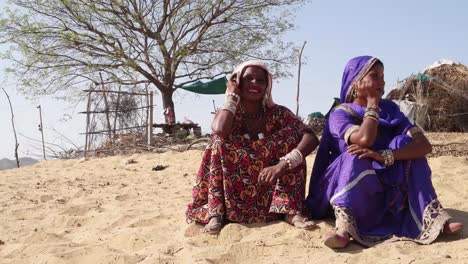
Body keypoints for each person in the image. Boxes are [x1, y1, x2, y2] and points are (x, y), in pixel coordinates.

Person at [305, 55, 464, 249]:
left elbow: (424, 145)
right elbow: (365, 139)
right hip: (346, 181)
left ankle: (433, 220)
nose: (382, 82)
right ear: (356, 81)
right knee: (356, 153)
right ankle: (344, 228)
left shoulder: (390, 109)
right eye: (375, 76)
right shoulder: (341, 113)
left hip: (383, 176)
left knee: (405, 144)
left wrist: (386, 156)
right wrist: (372, 104)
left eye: (383, 76)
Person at [186, 60, 319, 234]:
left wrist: (282, 165)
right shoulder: (230, 112)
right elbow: (219, 129)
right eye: (248, 79)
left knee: (294, 141)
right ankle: (216, 214)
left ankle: (289, 211)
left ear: (267, 85)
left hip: (269, 185)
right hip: (237, 191)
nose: (255, 84)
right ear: (238, 82)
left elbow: (311, 137)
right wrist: (232, 96)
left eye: (260, 80)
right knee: (218, 141)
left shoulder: (278, 113)